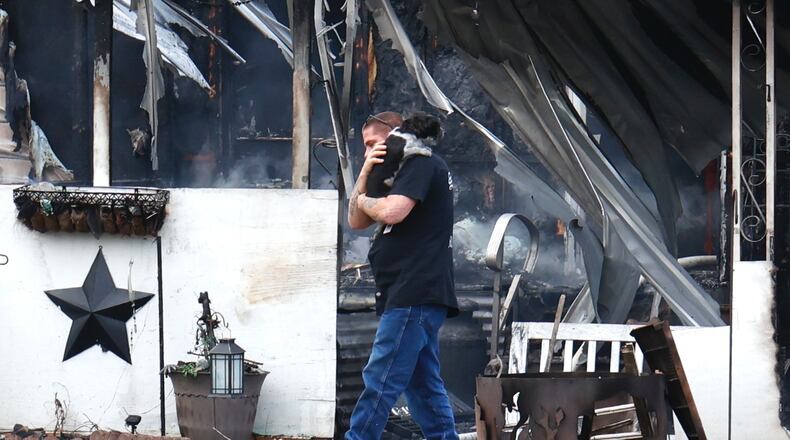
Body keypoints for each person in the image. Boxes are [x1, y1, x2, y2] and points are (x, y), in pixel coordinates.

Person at [345, 111, 460, 440]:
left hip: (414, 291)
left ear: (394, 136)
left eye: (372, 144)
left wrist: (364, 198)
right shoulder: (396, 173)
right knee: (423, 386)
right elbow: (356, 220)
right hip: (411, 293)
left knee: (380, 379)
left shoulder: (419, 164)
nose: (367, 152)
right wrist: (365, 173)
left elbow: (392, 211)